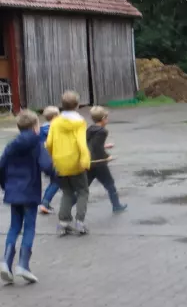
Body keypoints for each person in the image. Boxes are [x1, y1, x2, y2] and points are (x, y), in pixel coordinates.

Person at [0, 110, 54, 284]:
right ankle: (23, 264)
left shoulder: (11, 145)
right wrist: (57, 176)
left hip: (13, 192)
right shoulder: (37, 144)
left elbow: (1, 166)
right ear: (35, 127)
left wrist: (4, 185)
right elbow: (46, 165)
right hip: (30, 192)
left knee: (14, 226)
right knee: (29, 227)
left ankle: (6, 262)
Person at [46, 90, 91, 236]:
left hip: (60, 162)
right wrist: (85, 160)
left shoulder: (55, 122)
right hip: (75, 161)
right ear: (77, 105)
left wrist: (53, 158)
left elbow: (49, 143)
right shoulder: (79, 122)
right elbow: (81, 143)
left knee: (67, 192)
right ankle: (80, 222)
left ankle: (63, 223)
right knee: (83, 191)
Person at [87, 106, 127, 213]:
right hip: (99, 163)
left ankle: (67, 207)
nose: (107, 120)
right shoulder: (102, 131)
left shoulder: (90, 129)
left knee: (83, 188)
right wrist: (107, 156)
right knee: (110, 184)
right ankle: (116, 206)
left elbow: (89, 145)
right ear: (103, 118)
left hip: (89, 162)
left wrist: (104, 146)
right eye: (107, 118)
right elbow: (96, 147)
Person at [38, 106, 60, 215]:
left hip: (42, 160)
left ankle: (45, 203)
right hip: (53, 160)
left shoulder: (41, 129)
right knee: (57, 181)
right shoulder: (56, 128)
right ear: (55, 116)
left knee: (54, 181)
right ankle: (45, 203)